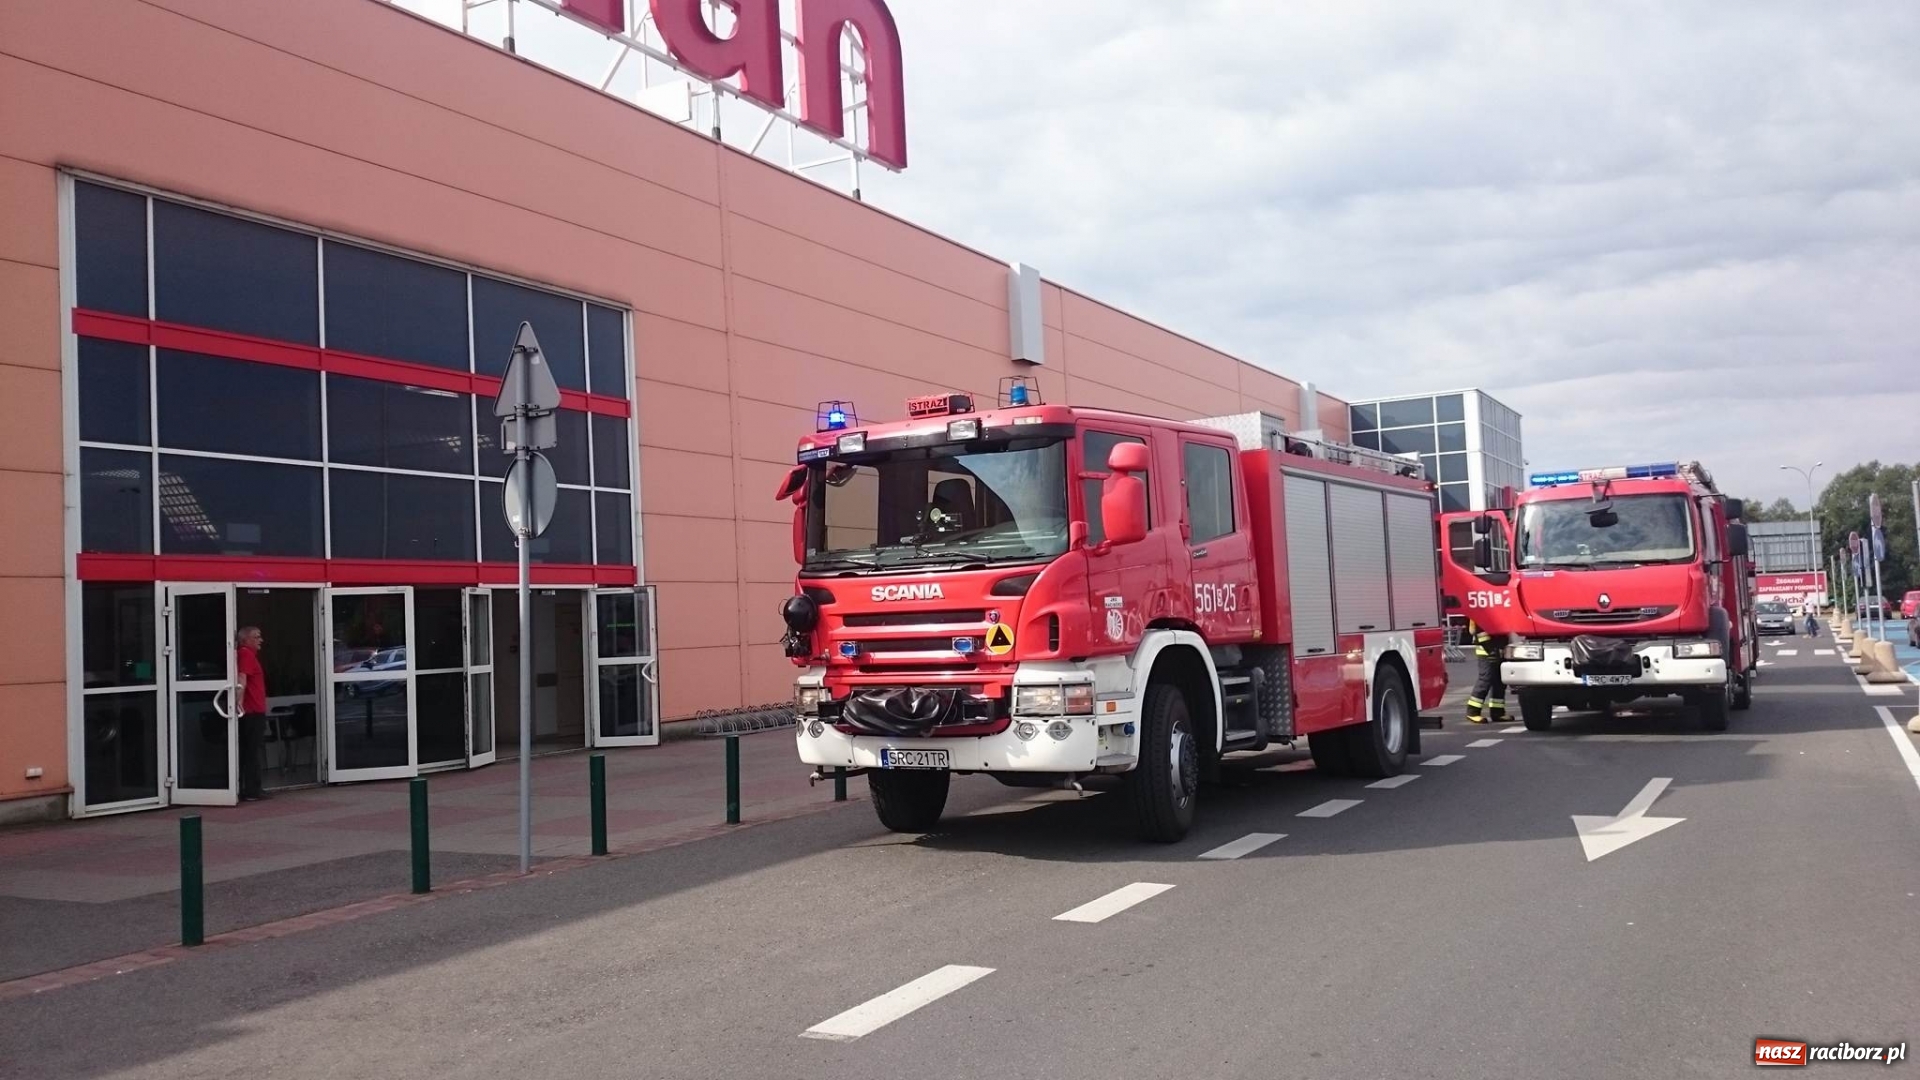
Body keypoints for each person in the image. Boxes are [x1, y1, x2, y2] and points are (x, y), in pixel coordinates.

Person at [235, 626, 269, 801]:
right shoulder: (246, 654)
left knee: (251, 750)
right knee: (251, 751)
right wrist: (238, 702)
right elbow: (242, 678)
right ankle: (252, 790)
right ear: (245, 640)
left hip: (254, 710)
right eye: (256, 637)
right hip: (251, 712)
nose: (260, 640)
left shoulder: (248, 655)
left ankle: (251, 788)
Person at [1465, 618, 1507, 724]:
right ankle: (1473, 712)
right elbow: (1480, 632)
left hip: (1498, 649)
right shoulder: (1482, 611)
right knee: (1485, 680)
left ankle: (1497, 712)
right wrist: (1491, 649)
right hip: (1487, 651)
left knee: (1499, 682)